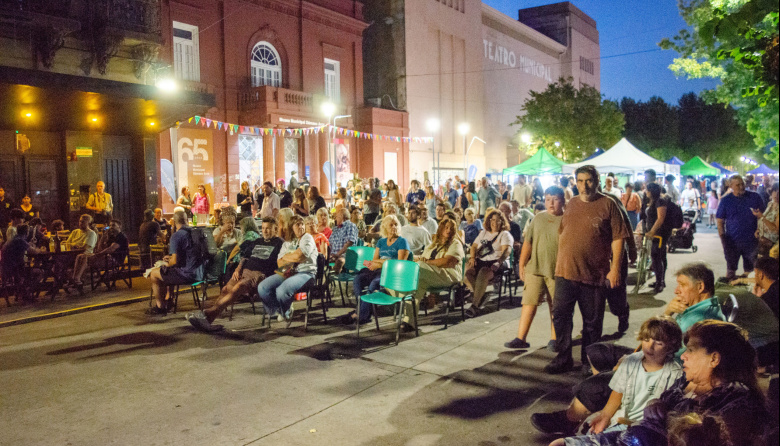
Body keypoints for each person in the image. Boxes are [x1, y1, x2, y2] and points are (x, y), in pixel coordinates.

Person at [614, 321, 768, 446]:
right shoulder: (687, 380)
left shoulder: (735, 402)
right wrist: (655, 403)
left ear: (714, 359)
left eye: (691, 350)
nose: (683, 357)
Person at [541, 316, 684, 443]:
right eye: (646, 339)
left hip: (646, 429)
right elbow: (618, 392)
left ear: (671, 346)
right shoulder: (630, 361)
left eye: (658, 343)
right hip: (621, 419)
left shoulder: (675, 374)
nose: (650, 346)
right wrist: (605, 416)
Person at [546, 165, 629, 374]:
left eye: (589, 180)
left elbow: (619, 238)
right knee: (560, 316)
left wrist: (615, 269)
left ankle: (588, 361)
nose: (584, 185)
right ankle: (563, 357)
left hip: (593, 274)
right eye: (580, 181)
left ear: (597, 180)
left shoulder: (609, 204)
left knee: (592, 322)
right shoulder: (572, 203)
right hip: (565, 272)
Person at [187, 217, 284, 331]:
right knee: (225, 289)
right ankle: (209, 321)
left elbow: (281, 262)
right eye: (263, 228)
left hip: (259, 274)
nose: (265, 231)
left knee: (237, 288)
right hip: (245, 271)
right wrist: (238, 269)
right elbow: (245, 257)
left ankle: (207, 315)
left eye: (268, 228)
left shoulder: (279, 243)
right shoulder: (257, 241)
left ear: (275, 229)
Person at [505, 186, 564, 350]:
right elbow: (528, 242)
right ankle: (520, 338)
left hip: (557, 270)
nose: (551, 203)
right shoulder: (538, 218)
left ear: (562, 200)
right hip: (535, 268)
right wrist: (522, 264)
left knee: (556, 306)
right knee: (529, 303)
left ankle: (555, 338)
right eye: (547, 200)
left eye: (555, 199)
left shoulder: (568, 219)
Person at [341, 215, 410, 325]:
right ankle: (362, 311)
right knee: (357, 280)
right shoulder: (381, 242)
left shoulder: (402, 241)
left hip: (391, 274)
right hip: (377, 270)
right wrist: (382, 263)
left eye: (396, 224)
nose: (394, 227)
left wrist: (381, 264)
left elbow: (398, 263)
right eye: (391, 225)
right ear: (385, 227)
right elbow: (374, 260)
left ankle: (361, 315)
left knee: (374, 283)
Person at [405, 218, 464, 329]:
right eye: (446, 227)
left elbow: (447, 262)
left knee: (419, 268)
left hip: (449, 276)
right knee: (416, 285)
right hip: (430, 274)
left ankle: (399, 293)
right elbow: (423, 258)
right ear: (441, 228)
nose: (448, 230)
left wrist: (426, 262)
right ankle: (409, 322)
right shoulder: (433, 244)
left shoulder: (456, 244)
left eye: (451, 228)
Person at [257, 215, 318, 322]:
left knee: (281, 290)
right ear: (291, 227)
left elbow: (300, 256)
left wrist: (287, 257)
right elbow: (280, 263)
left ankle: (285, 311)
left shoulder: (307, 238)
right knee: (263, 287)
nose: (301, 227)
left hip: (305, 273)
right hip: (287, 272)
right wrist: (291, 256)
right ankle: (280, 310)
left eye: (302, 224)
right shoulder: (287, 243)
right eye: (297, 225)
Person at [147, 209, 205, 315]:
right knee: (167, 271)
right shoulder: (196, 232)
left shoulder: (177, 236)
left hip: (186, 274)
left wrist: (166, 263)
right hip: (200, 273)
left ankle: (161, 306)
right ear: (187, 220)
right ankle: (170, 299)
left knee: (155, 273)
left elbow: (174, 262)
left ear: (174, 222)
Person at [464, 209, 513, 317]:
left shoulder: (505, 234)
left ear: (502, 222)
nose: (494, 223)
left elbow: (507, 251)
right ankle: (481, 296)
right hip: (482, 260)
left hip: (498, 261)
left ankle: (475, 306)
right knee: (467, 273)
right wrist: (472, 258)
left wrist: (499, 262)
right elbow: (474, 246)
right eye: (492, 220)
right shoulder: (484, 233)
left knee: (483, 272)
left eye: (497, 220)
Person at [716, 175, 765, 282]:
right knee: (730, 270)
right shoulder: (726, 201)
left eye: (742, 184)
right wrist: (722, 237)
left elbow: (763, 216)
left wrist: (760, 230)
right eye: (738, 185)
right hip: (732, 241)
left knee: (751, 271)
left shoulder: (755, 197)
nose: (741, 187)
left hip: (751, 241)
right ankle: (730, 291)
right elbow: (720, 220)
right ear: (731, 186)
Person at [644, 183, 670, 293]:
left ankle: (660, 282)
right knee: (659, 257)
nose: (646, 192)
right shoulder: (653, 201)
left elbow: (660, 218)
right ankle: (660, 280)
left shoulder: (660, 201)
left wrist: (652, 231)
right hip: (654, 234)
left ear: (651, 191)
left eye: (647, 190)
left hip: (659, 234)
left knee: (657, 257)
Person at [62, 214, 99, 287]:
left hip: (86, 255)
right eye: (80, 221)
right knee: (57, 260)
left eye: (83, 222)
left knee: (81, 256)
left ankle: (76, 279)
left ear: (88, 223)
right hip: (71, 254)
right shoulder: (75, 232)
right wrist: (75, 245)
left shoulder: (91, 233)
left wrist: (73, 245)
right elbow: (67, 243)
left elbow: (84, 248)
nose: (80, 223)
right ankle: (57, 283)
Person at [328, 208, 358, 273]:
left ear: (342, 216)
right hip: (334, 255)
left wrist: (337, 254)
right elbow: (329, 243)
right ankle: (325, 280)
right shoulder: (336, 228)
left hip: (345, 254)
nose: (335, 219)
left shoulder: (350, 225)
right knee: (320, 259)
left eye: (337, 217)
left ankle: (335, 271)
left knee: (340, 260)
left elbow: (349, 243)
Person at [752, 182, 778, 257]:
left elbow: (776, 229)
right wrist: (758, 229)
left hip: (773, 244)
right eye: (774, 191)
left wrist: (762, 217)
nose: (776, 195)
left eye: (778, 192)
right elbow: (765, 219)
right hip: (763, 242)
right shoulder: (770, 204)